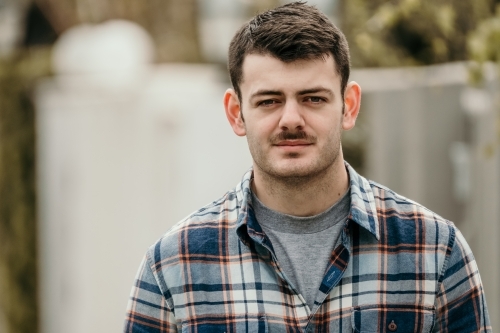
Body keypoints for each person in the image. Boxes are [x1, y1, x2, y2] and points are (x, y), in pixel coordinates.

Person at [124, 2, 491, 332]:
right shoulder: (173, 266)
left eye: (313, 98)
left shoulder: (434, 252)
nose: (291, 119)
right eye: (269, 101)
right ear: (236, 114)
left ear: (348, 105)